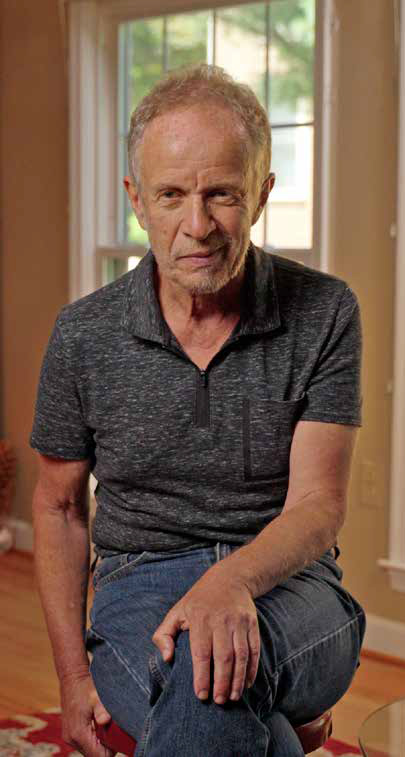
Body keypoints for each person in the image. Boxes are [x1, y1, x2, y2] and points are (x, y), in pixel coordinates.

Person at [30, 63, 366, 757]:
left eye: (222, 194)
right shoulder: (82, 334)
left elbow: (318, 502)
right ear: (136, 199)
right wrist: (72, 677)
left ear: (261, 194)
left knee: (204, 664)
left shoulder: (326, 311)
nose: (197, 225)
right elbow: (59, 508)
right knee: (213, 683)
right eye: (171, 194)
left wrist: (229, 581)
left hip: (292, 587)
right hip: (138, 583)